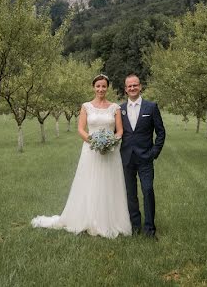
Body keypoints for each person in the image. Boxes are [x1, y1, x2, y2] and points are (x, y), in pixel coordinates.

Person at [30, 74, 132, 238]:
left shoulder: (115, 108)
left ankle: (110, 220)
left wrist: (112, 142)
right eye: (98, 86)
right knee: (89, 183)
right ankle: (88, 219)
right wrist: (94, 143)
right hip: (90, 151)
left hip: (110, 152)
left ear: (108, 88)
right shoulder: (86, 106)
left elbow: (120, 130)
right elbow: (81, 129)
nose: (100, 89)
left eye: (103, 86)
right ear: (93, 87)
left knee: (109, 183)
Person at [119, 73, 166, 239]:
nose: (132, 88)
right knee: (130, 194)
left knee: (147, 190)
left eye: (135, 85)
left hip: (146, 158)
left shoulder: (151, 107)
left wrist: (154, 152)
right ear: (125, 89)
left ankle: (149, 229)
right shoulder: (120, 109)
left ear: (140, 87)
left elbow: (161, 133)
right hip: (127, 158)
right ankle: (135, 226)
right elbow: (116, 133)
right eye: (129, 86)